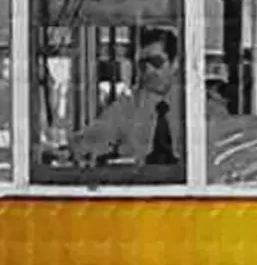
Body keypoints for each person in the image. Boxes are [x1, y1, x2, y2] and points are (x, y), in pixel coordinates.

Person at [72, 28, 183, 171]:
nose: (149, 70)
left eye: (156, 62)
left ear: (175, 64)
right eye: (143, 64)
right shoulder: (127, 105)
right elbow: (84, 144)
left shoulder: (192, 104)